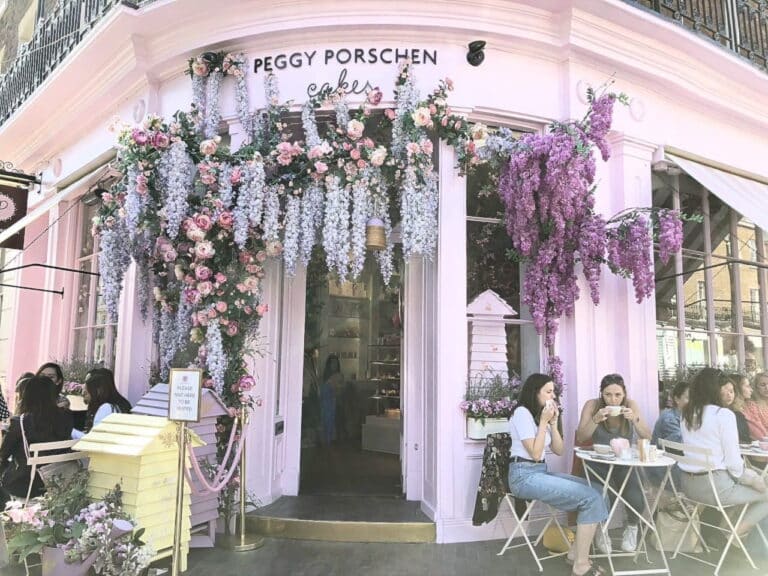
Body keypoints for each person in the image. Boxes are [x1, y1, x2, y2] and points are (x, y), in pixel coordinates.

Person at [509, 373, 607, 576]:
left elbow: (560, 450)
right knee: (590, 498)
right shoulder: (521, 413)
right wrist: (544, 422)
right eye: (548, 391)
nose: (552, 396)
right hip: (523, 476)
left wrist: (553, 424)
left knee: (598, 490)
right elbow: (536, 454)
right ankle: (581, 565)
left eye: (553, 391)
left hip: (539, 472)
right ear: (535, 393)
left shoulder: (538, 416)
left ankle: (574, 554)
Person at [680, 368, 768, 543]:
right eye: (725, 389)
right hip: (716, 489)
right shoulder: (723, 415)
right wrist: (754, 480)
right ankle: (734, 533)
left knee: (751, 486)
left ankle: (728, 530)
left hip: (688, 486)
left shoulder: (688, 413)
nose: (730, 394)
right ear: (714, 390)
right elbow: (735, 465)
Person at [576, 373, 651, 553]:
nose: (613, 399)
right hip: (598, 461)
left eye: (618, 395)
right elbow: (581, 437)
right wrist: (596, 419)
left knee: (635, 495)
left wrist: (634, 419)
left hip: (623, 462)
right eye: (608, 394)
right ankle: (602, 530)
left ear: (624, 394)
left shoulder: (631, 405)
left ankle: (632, 529)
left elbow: (648, 436)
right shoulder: (592, 405)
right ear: (601, 394)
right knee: (603, 496)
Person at [0, 376, 74, 508]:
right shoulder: (66, 418)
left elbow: (3, 454)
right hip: (56, 483)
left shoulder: (20, 422)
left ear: (27, 396)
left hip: (25, 485)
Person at [71, 368, 132, 439]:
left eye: (88, 386)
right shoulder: (121, 404)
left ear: (98, 390)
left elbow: (92, 440)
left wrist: (68, 430)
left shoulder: (106, 408)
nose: (84, 389)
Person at [721, 374, 751, 443]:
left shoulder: (744, 409)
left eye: (731, 392)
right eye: (747, 386)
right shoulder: (731, 414)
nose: (751, 389)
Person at [319, 355, 342, 446]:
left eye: (335, 363)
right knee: (323, 422)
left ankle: (329, 443)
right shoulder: (324, 376)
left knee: (330, 423)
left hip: (333, 403)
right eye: (332, 363)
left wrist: (335, 388)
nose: (334, 365)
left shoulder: (338, 376)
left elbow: (339, 391)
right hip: (323, 403)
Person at [743, 372, 768, 441]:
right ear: (756, 387)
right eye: (763, 385)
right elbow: (759, 433)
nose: (767, 387)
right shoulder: (751, 405)